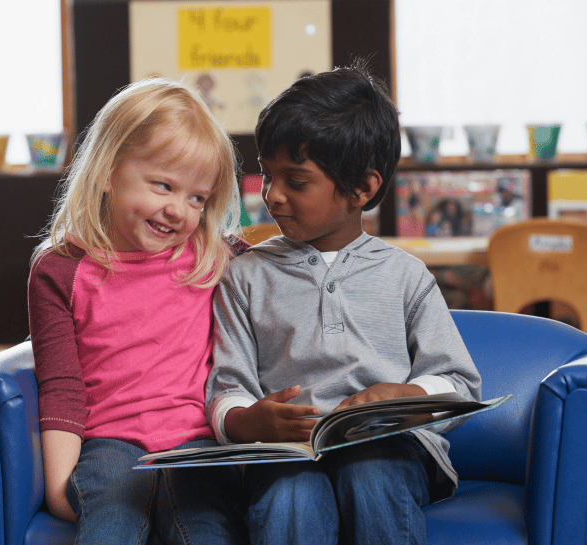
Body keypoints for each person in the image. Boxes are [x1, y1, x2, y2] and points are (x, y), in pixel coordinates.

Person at [205, 60, 482, 545]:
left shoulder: (405, 275)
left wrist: (409, 396)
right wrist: (249, 420)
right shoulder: (245, 274)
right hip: (286, 455)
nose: (273, 196)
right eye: (267, 177)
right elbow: (228, 384)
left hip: (388, 452)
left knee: (370, 472)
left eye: (296, 181)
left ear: (363, 188)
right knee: (290, 498)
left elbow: (459, 382)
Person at [28, 77, 246, 544]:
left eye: (197, 198)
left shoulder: (212, 255)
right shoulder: (61, 270)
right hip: (109, 444)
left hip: (198, 442)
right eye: (163, 186)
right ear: (107, 171)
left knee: (206, 529)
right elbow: (62, 386)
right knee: (111, 526)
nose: (179, 211)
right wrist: (57, 485)